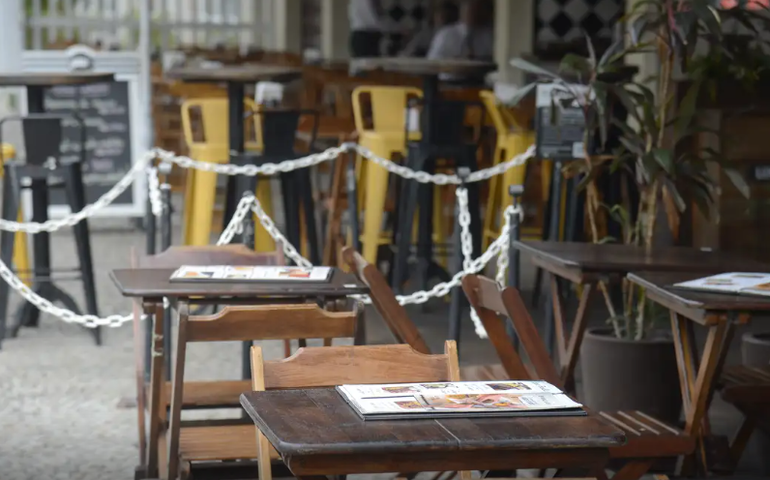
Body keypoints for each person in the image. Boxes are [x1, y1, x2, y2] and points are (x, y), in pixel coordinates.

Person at [426, 0, 494, 61]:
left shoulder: (488, 36)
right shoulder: (445, 35)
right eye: (468, 6)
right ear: (462, 10)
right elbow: (432, 62)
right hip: (451, 74)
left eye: (477, 8)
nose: (471, 11)